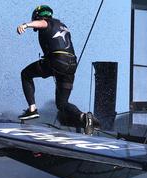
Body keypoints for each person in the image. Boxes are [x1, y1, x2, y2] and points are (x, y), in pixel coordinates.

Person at [16, 5, 99, 134]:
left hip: (57, 61)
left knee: (26, 74)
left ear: (37, 16)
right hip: (71, 65)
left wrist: (25, 25)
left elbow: (42, 23)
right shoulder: (62, 25)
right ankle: (84, 117)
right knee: (61, 104)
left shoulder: (47, 22)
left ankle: (32, 110)